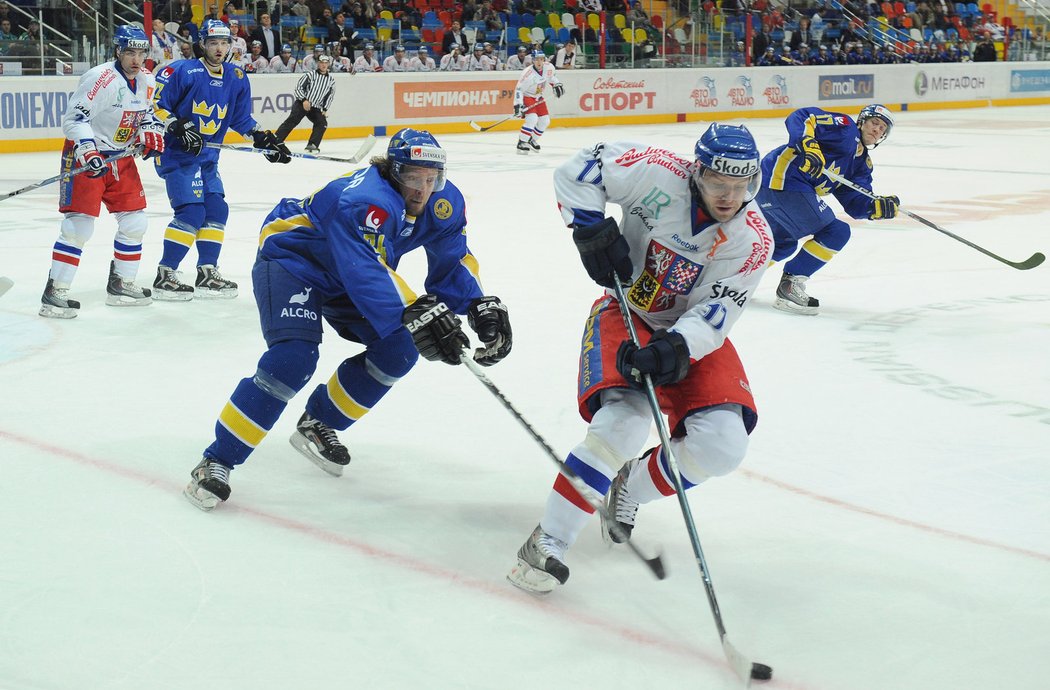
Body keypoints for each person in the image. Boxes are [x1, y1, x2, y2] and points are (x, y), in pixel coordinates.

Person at [182, 129, 514, 511]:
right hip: (295, 260)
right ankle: (217, 460)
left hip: (349, 271)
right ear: (392, 171)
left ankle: (319, 421)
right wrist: (416, 309)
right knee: (293, 359)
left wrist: (477, 304)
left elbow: (452, 259)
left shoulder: (445, 202)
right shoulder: (365, 200)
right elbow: (366, 270)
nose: (422, 189)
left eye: (431, 179)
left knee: (400, 348)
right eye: (412, 178)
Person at [507, 124, 771, 594]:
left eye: (741, 186)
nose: (730, 197)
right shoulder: (653, 170)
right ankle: (548, 541)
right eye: (718, 184)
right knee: (624, 424)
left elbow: (718, 311)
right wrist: (588, 226)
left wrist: (674, 349)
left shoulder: (752, 238)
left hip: (691, 335)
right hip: (627, 311)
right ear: (697, 171)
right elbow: (577, 170)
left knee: (724, 445)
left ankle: (630, 487)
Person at [150, 19, 291, 301]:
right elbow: (155, 107)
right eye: (213, 43)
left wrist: (262, 138)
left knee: (216, 210)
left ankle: (207, 271)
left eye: (224, 43)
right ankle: (165, 273)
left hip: (208, 158)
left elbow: (240, 118)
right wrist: (177, 125)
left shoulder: (236, 77)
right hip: (178, 155)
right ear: (202, 43)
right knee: (191, 213)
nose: (218, 48)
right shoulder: (181, 70)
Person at [39, 26, 165, 319]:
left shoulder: (147, 80)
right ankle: (55, 291)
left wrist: (149, 131)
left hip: (120, 158)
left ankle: (122, 283)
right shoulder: (100, 78)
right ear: (118, 51)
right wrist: (87, 148)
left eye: (141, 53)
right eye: (129, 52)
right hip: (88, 158)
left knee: (135, 223)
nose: (136, 59)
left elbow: (146, 113)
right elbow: (75, 118)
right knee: (78, 227)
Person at [756, 104, 898, 314]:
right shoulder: (845, 128)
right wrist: (809, 145)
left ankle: (729, 280)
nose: (877, 130)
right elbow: (803, 117)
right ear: (862, 121)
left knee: (783, 244)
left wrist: (876, 207)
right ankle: (790, 285)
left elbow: (856, 203)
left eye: (882, 128)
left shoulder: (861, 165)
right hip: (782, 179)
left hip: (777, 191)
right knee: (836, 232)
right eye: (874, 123)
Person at [275, 54, 334, 152]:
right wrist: (304, 100)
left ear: (328, 64)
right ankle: (276, 140)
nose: (324, 65)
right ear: (318, 64)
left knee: (322, 123)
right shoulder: (309, 75)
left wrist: (324, 109)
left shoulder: (331, 81)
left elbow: (329, 96)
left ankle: (312, 144)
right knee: (293, 120)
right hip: (302, 103)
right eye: (322, 63)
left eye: (326, 63)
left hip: (315, 107)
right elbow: (298, 88)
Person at [512, 51, 564, 154]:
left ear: (544, 59)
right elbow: (518, 89)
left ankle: (532, 140)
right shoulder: (528, 74)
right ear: (533, 60)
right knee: (532, 119)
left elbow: (551, 78)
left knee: (545, 121)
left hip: (538, 97)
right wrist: (517, 105)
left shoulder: (549, 67)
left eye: (541, 59)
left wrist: (557, 84)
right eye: (536, 59)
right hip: (527, 96)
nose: (539, 62)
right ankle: (522, 142)